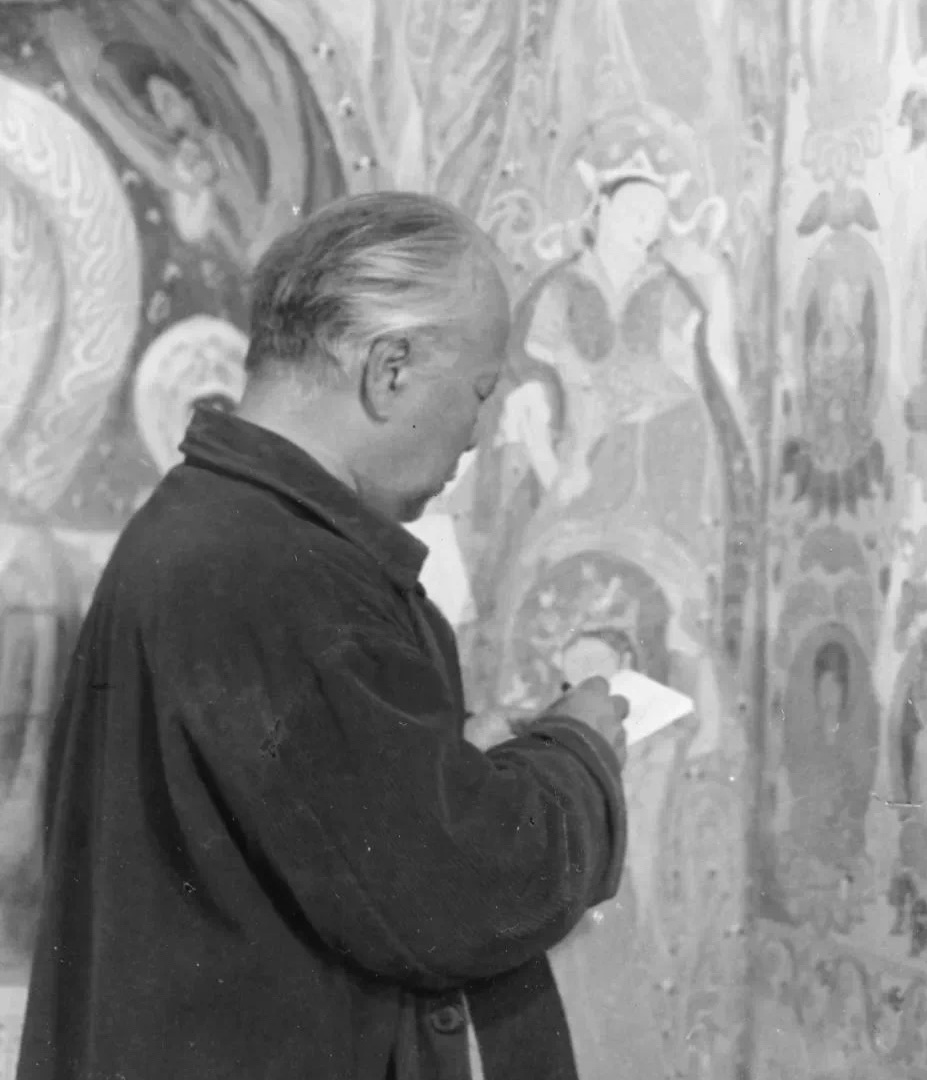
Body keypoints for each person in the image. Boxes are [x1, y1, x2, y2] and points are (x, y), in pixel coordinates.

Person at [17, 192, 631, 1080]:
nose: (476, 433)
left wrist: (449, 760)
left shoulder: (213, 529)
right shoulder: (279, 574)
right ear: (390, 369)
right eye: (479, 391)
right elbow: (461, 892)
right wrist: (580, 754)